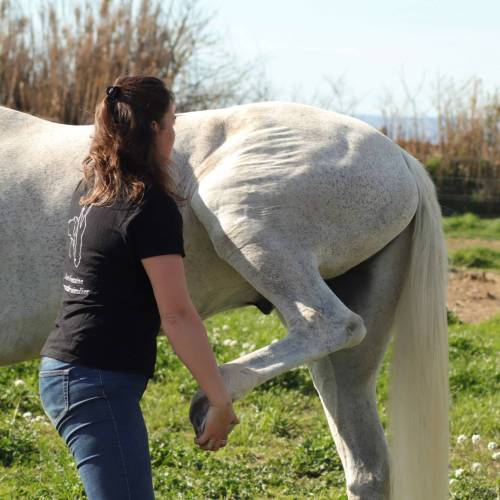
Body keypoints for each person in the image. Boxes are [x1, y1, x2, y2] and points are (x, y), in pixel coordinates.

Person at [38, 75, 239, 499]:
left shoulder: (91, 188)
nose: (174, 133)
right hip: (94, 380)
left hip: (69, 368)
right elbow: (177, 314)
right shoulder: (149, 205)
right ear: (153, 130)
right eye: (171, 122)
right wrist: (219, 399)